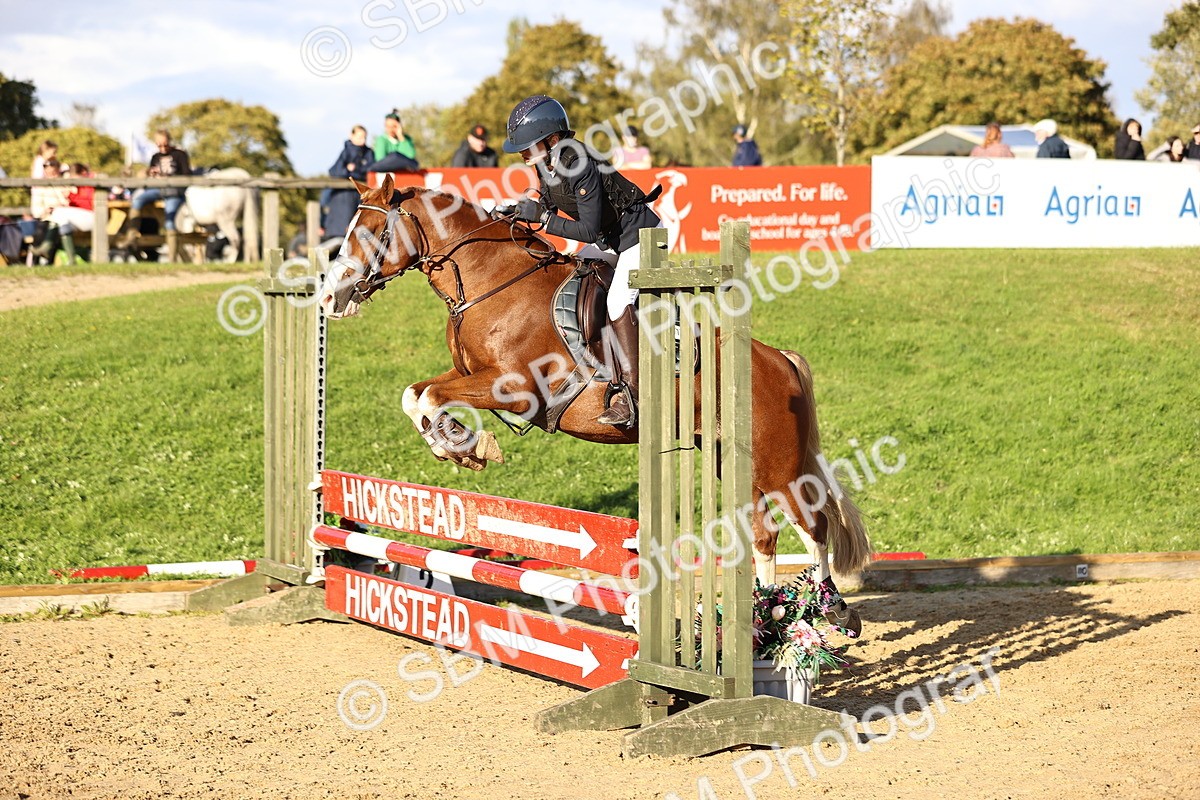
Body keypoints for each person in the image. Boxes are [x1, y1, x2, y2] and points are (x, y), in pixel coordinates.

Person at [500, 94, 662, 428]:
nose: (522, 154)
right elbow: (548, 203)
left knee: (617, 300)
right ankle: (589, 361)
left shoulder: (580, 162)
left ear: (551, 140)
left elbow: (587, 229)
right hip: (611, 241)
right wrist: (516, 211)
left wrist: (543, 219)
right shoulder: (546, 164)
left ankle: (634, 394)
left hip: (643, 238)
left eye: (528, 147)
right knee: (572, 275)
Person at [131, 130, 192, 261]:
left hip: (174, 192)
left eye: (165, 144)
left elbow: (187, 175)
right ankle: (131, 234)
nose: (163, 148)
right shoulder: (155, 157)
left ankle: (172, 259)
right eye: (159, 145)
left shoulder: (180, 155)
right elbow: (150, 175)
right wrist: (151, 173)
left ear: (169, 141)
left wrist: (168, 177)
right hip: (158, 189)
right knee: (137, 200)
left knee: (169, 222)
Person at [326, 125, 376, 242]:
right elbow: (334, 171)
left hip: (358, 195)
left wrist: (353, 171)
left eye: (364, 137)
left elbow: (370, 170)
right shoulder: (345, 152)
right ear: (351, 136)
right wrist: (349, 171)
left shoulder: (368, 153)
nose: (363, 141)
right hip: (343, 198)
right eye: (359, 137)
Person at [45, 163, 95, 265]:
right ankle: (70, 260)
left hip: (93, 218)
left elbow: (88, 205)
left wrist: (71, 196)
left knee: (59, 213)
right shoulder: (83, 184)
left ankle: (46, 246)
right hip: (85, 217)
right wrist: (69, 201)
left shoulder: (90, 183)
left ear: (83, 173)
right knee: (61, 217)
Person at [30, 159, 73, 264]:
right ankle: (36, 261)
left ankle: (48, 259)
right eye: (48, 173)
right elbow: (36, 211)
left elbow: (70, 201)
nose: (51, 176)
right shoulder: (40, 187)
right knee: (41, 229)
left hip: (64, 217)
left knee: (56, 225)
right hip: (46, 217)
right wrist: (46, 210)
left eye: (54, 173)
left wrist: (61, 204)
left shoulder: (65, 185)